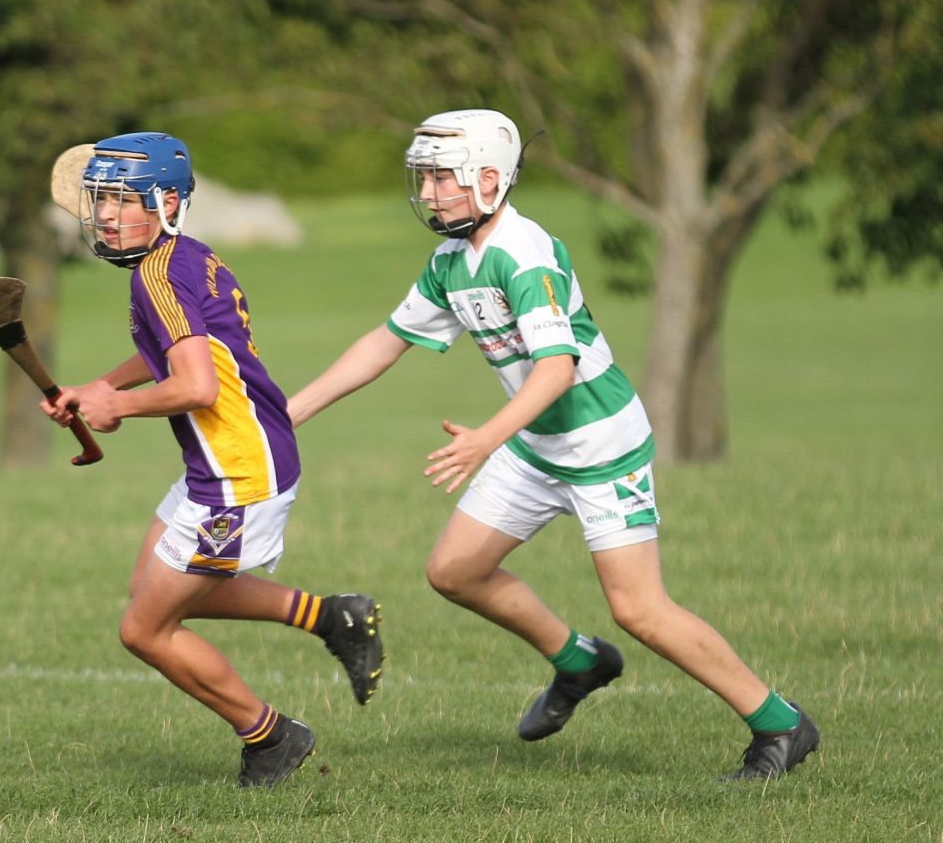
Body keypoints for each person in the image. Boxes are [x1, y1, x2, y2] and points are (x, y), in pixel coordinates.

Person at [287, 109, 818, 781]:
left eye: (439, 180)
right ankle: (578, 661)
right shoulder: (452, 260)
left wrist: (485, 438)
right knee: (454, 570)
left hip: (599, 444)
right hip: (535, 440)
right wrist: (290, 410)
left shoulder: (523, 254)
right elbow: (383, 341)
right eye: (421, 180)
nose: (425, 195)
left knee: (639, 609)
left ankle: (781, 722)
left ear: (488, 179)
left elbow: (557, 367)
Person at [42, 132, 384, 788]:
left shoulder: (155, 274)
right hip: (231, 460)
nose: (106, 215)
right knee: (151, 590)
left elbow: (195, 385)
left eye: (121, 200)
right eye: (100, 200)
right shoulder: (184, 259)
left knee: (144, 628)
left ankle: (272, 735)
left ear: (167, 202)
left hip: (237, 474)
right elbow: (169, 352)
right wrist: (98, 388)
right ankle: (332, 616)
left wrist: (120, 408)